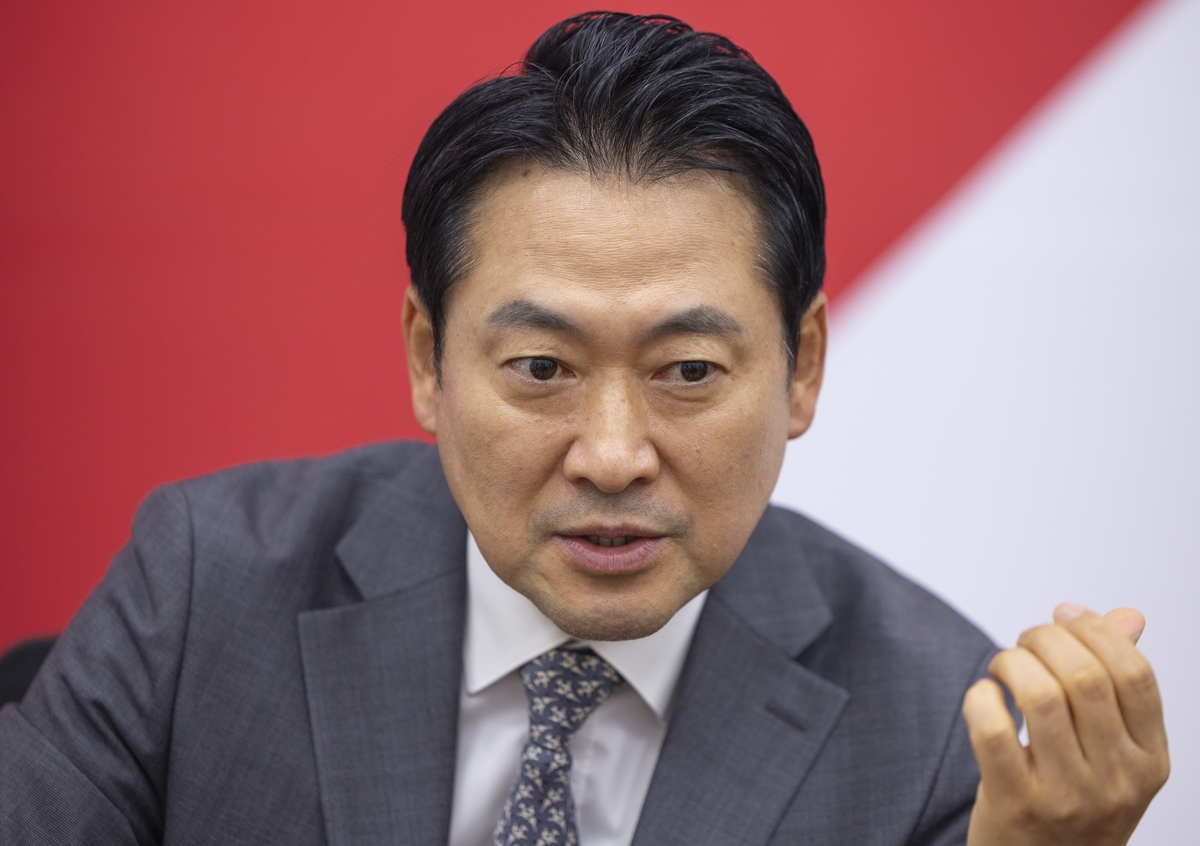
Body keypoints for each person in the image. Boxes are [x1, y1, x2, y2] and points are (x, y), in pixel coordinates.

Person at [0, 12, 1168, 846]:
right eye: (543, 370)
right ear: (427, 360)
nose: (612, 456)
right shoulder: (207, 591)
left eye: (688, 372)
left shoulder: (944, 733)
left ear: (803, 366)